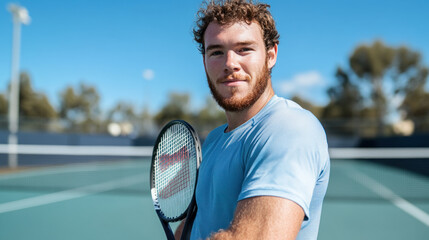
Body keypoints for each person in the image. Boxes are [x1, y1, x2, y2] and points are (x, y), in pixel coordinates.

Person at [176, 0, 330, 239]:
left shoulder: (289, 128)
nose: (230, 64)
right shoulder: (215, 139)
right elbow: (195, 226)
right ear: (205, 62)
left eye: (244, 49)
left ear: (271, 55)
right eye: (216, 52)